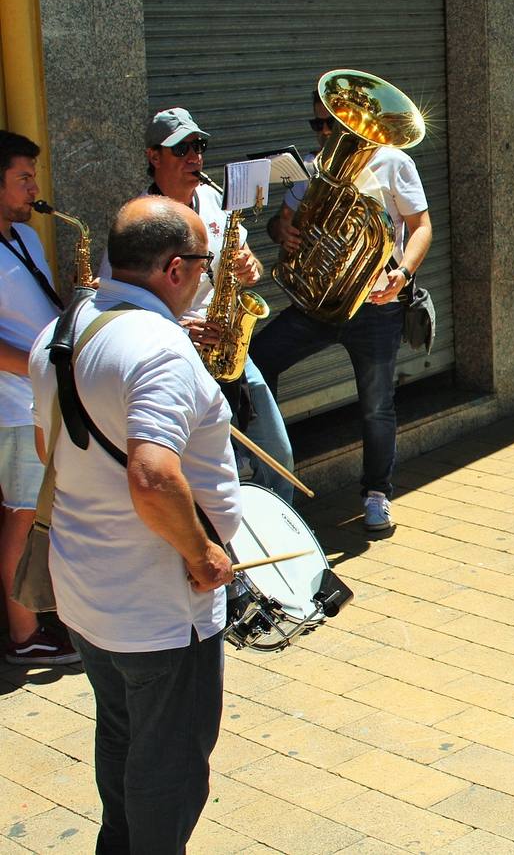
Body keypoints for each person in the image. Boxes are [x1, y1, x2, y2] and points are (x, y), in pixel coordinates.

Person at [29, 196, 240, 853]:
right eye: (205, 265)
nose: (207, 277)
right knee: (171, 768)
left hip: (88, 593)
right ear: (176, 268)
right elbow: (151, 475)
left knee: (121, 739)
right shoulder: (157, 347)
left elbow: (49, 450)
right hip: (159, 607)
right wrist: (203, 553)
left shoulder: (65, 328)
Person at [256, 89, 434, 532]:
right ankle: (265, 477)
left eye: (328, 125)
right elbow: (280, 222)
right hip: (317, 305)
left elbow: (421, 226)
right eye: (316, 124)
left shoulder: (394, 162)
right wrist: (283, 233)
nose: (321, 133)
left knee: (376, 407)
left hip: (376, 305)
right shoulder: (312, 169)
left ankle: (377, 493)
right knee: (256, 362)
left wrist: (404, 272)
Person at [139, 107, 296, 503]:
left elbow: (252, 265)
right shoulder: (141, 220)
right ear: (153, 156)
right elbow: (124, 305)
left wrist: (248, 266)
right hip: (182, 355)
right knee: (210, 470)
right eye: (181, 150)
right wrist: (181, 330)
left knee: (278, 455)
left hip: (231, 346)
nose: (194, 157)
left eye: (199, 146)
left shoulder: (212, 196)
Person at [0, 131, 79, 665]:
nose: (34, 188)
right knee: (21, 516)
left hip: (43, 396)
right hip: (12, 404)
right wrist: (41, 366)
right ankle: (24, 636)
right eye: (23, 178)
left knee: (45, 513)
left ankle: (45, 612)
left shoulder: (26, 238)